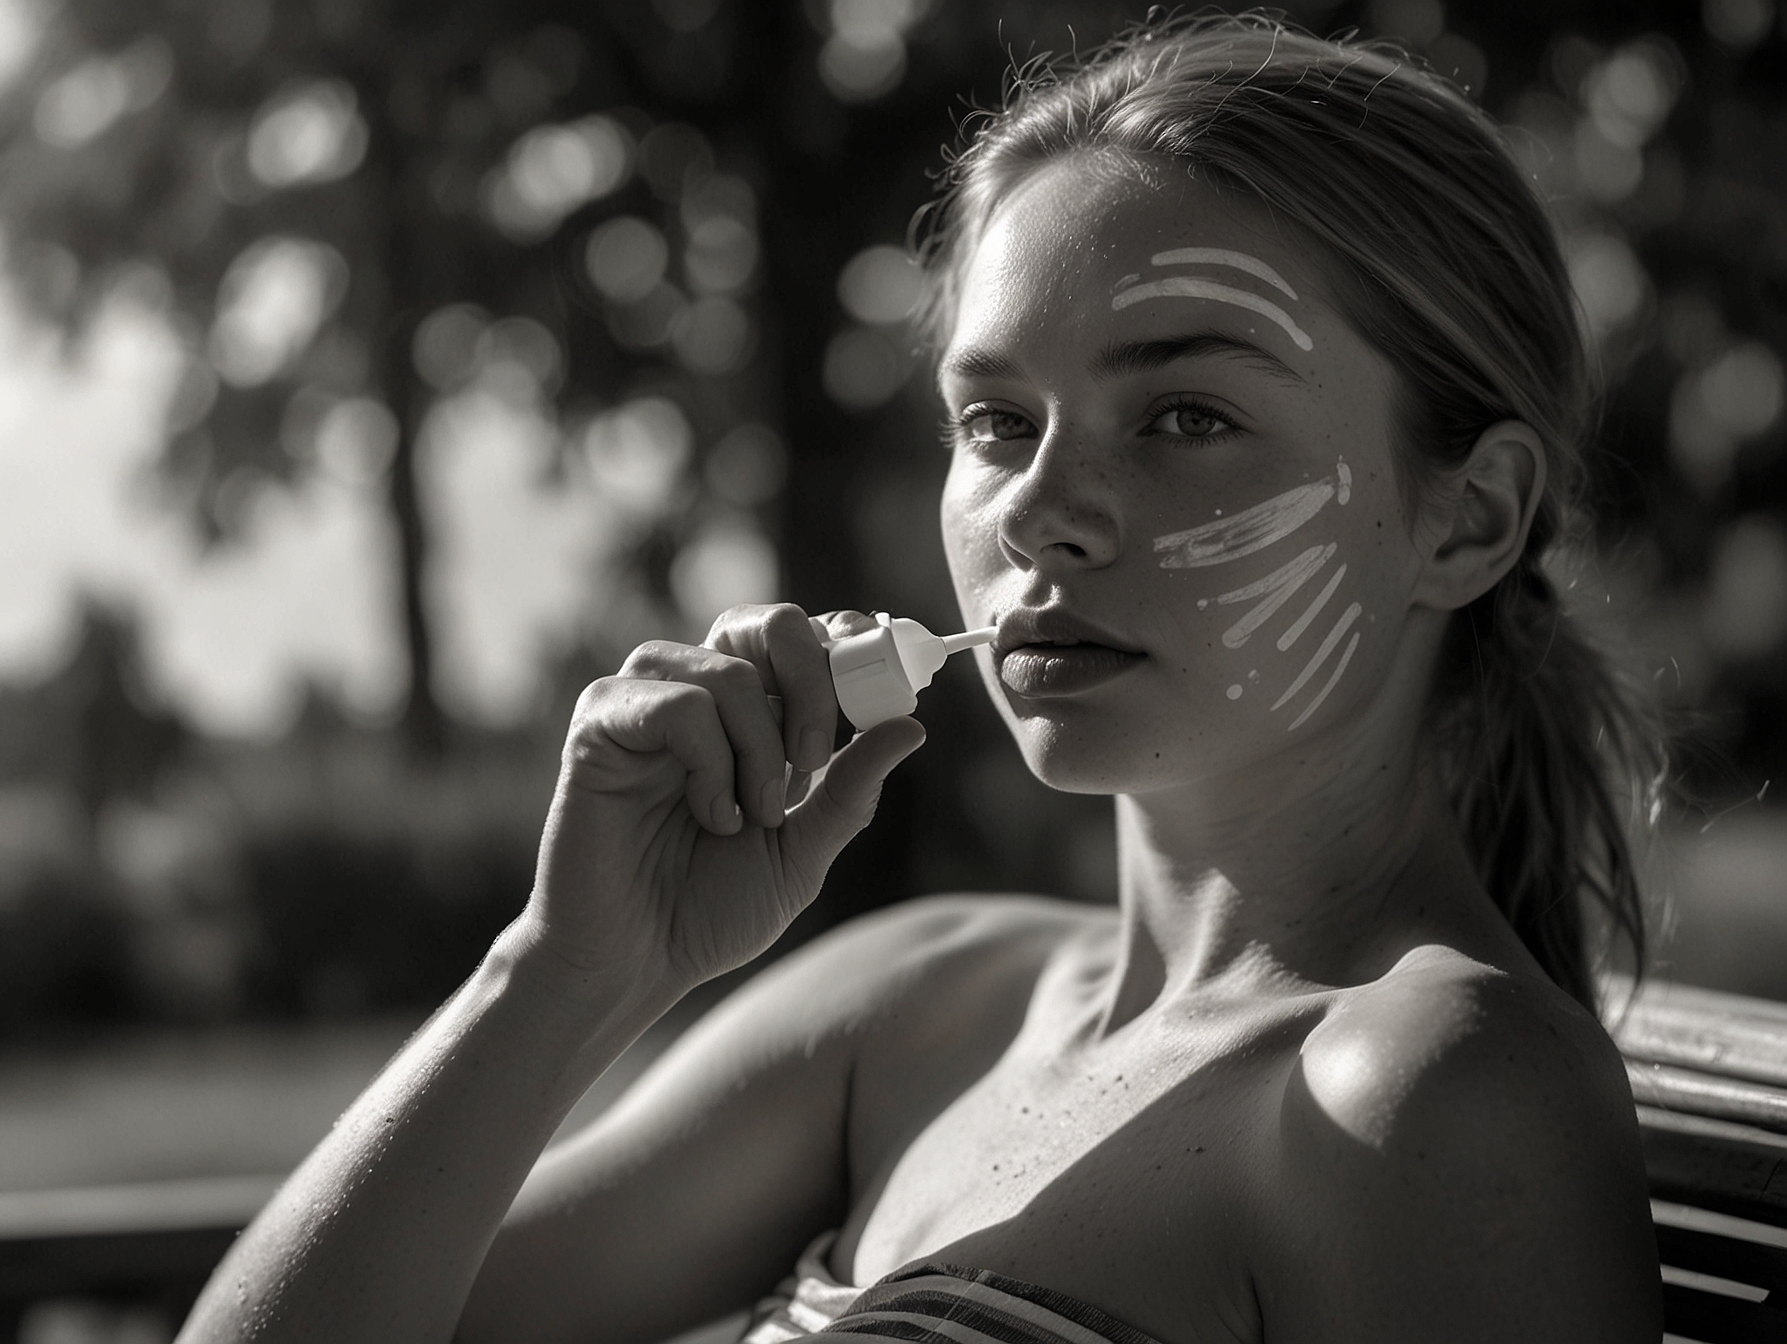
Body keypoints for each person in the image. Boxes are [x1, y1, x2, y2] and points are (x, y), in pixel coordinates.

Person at [177, 14, 1668, 1344]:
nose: (1034, 509)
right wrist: (564, 975)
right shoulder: (919, 1000)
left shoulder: (1426, 1100)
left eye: (1188, 414)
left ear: (1464, 519)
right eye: (998, 422)